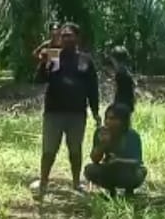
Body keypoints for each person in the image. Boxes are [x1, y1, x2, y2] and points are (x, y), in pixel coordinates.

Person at [32, 22, 101, 197]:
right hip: (53, 112)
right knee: (48, 150)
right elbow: (40, 79)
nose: (65, 38)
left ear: (77, 38)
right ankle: (44, 183)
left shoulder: (85, 60)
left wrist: (95, 111)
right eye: (63, 35)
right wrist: (43, 63)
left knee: (75, 150)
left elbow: (93, 88)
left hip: (77, 113)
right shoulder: (54, 57)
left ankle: (76, 184)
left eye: (69, 35)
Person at [85, 102, 146, 197]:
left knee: (139, 173)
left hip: (128, 170)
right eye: (107, 118)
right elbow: (95, 159)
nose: (108, 122)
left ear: (123, 121)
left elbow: (137, 161)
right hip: (109, 169)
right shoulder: (101, 133)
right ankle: (111, 191)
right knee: (90, 169)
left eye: (113, 119)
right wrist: (102, 145)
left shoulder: (132, 136)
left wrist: (118, 161)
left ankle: (129, 191)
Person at [110, 46, 136, 112]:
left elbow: (116, 90)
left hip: (120, 105)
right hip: (128, 104)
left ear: (115, 59)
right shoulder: (127, 72)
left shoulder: (119, 73)